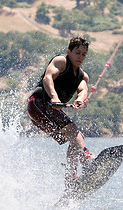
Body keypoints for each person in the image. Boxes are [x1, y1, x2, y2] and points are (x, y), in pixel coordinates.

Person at [27, 36, 93, 191]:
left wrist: (80, 100)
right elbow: (48, 77)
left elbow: (83, 90)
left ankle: (70, 179)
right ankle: (87, 161)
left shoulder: (83, 76)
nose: (80, 57)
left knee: (76, 139)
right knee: (73, 132)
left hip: (49, 110)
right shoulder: (61, 61)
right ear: (69, 51)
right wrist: (54, 96)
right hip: (38, 104)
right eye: (77, 52)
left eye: (83, 54)